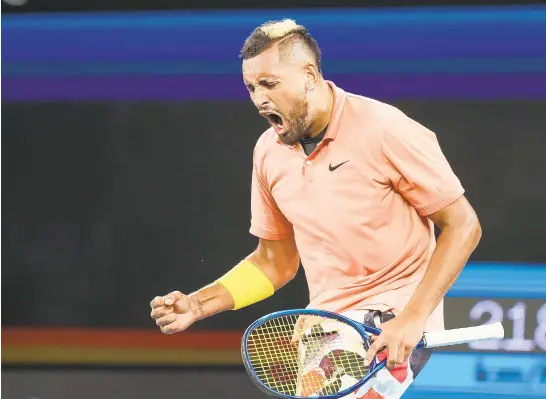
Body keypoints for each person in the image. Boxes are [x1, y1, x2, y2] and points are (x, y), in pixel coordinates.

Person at [150, 19, 482, 398]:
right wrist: (197, 304)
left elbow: (463, 225)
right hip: (325, 324)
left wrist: (413, 317)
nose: (259, 100)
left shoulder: (385, 129)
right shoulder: (268, 154)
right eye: (251, 87)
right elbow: (275, 262)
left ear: (309, 75)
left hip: (389, 321)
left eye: (270, 84)